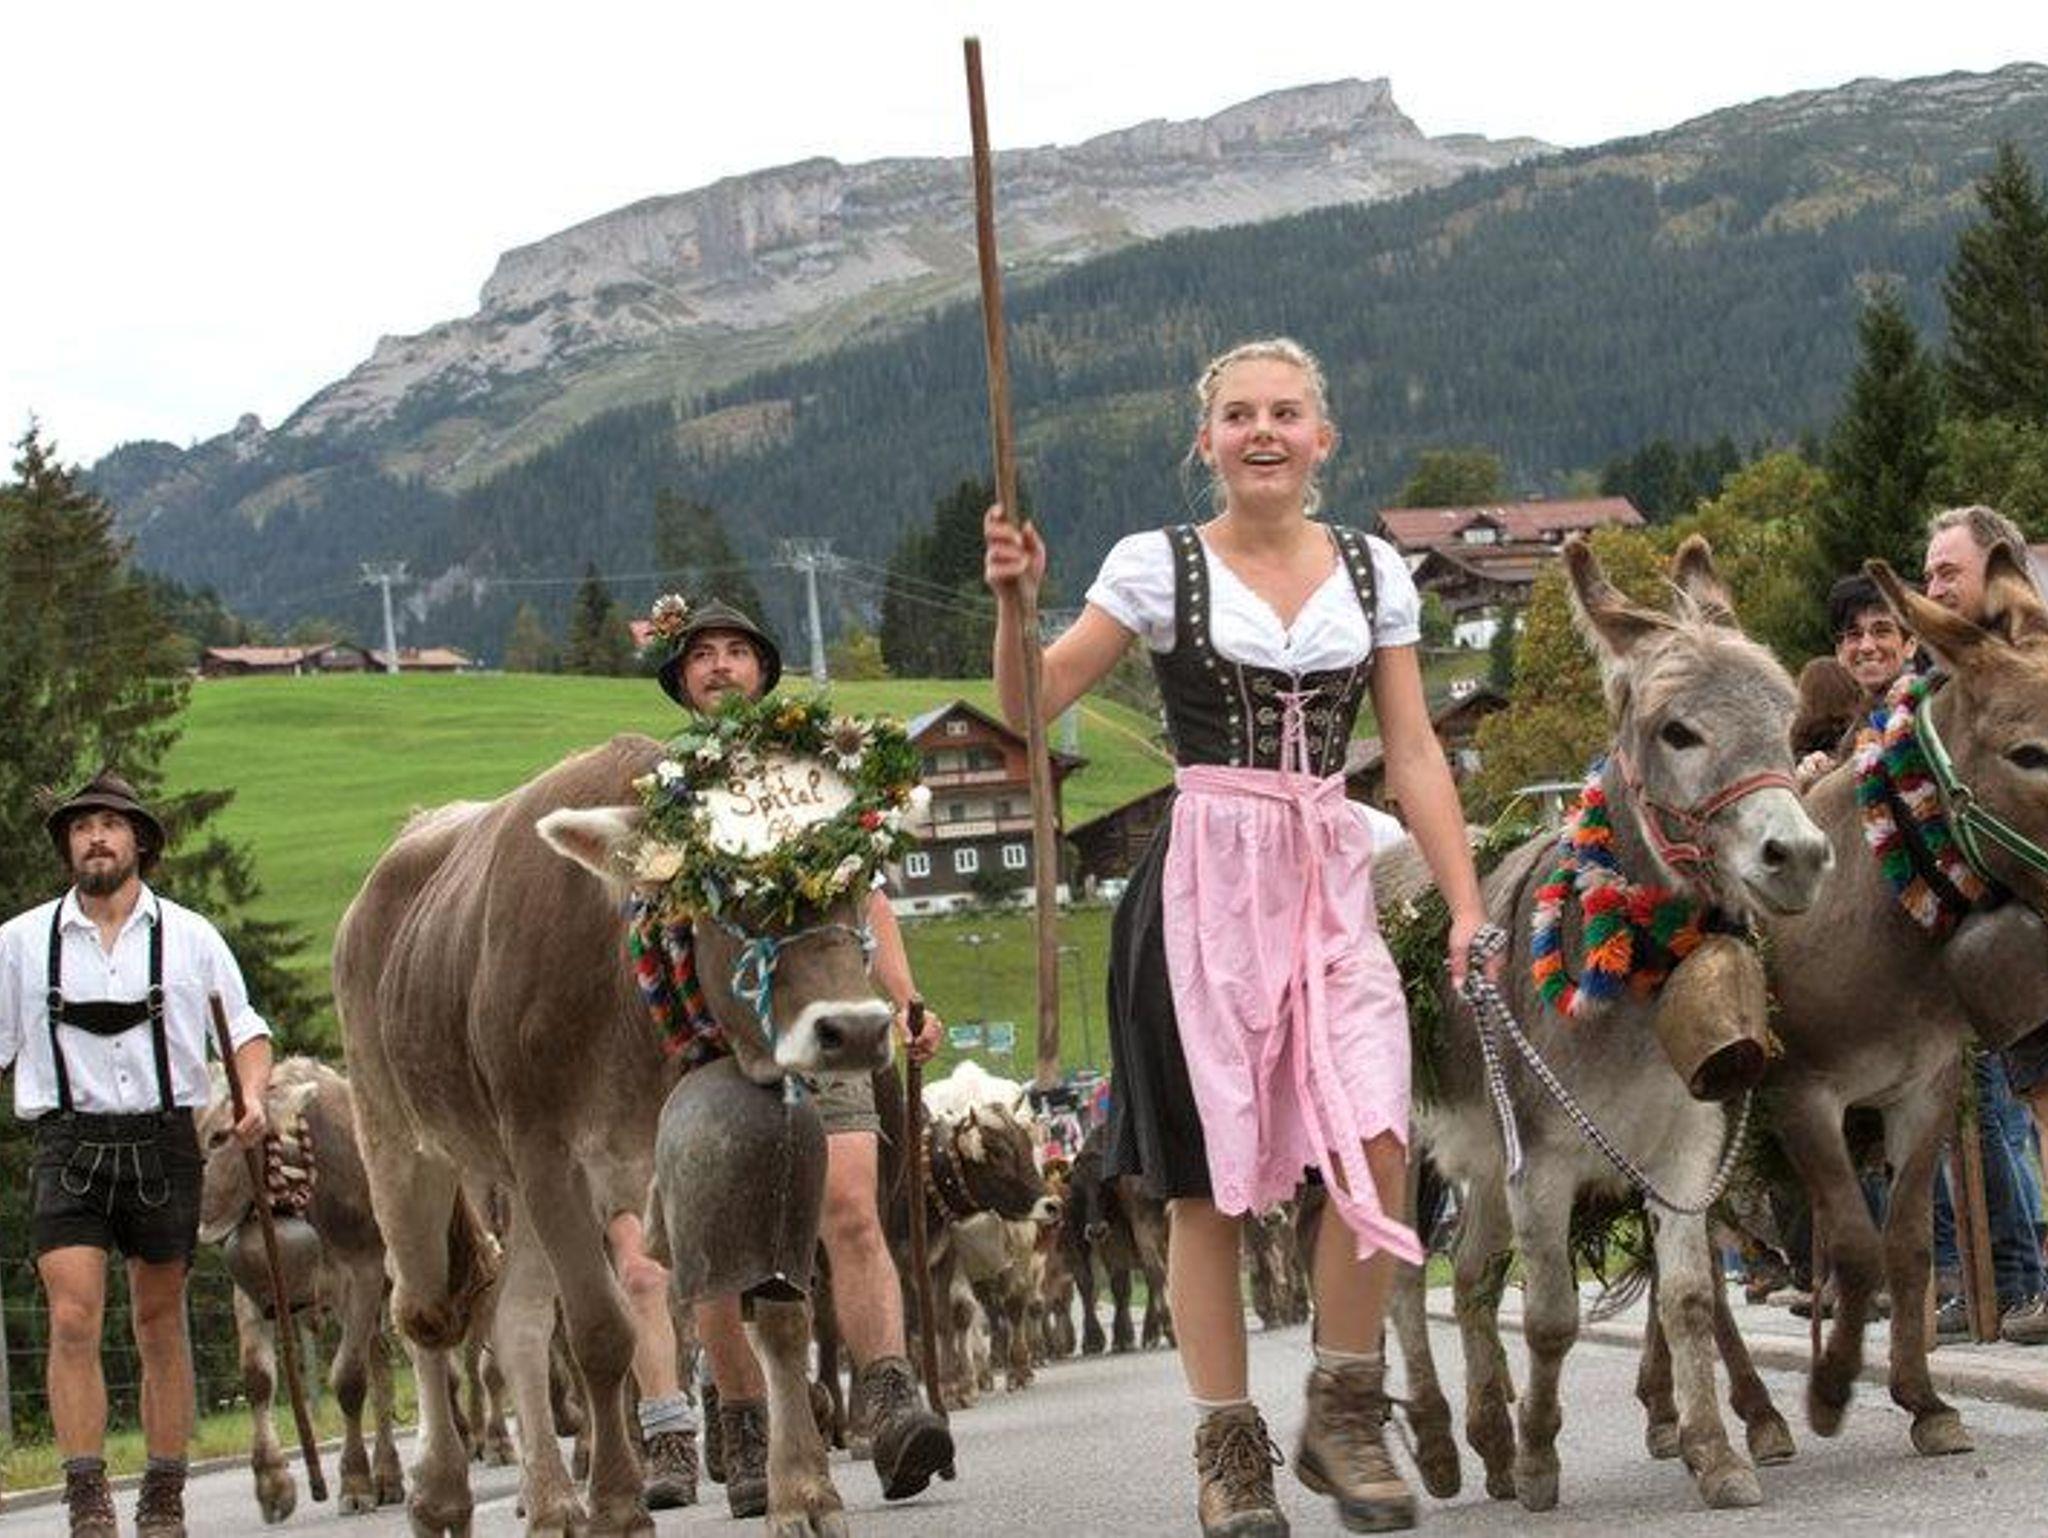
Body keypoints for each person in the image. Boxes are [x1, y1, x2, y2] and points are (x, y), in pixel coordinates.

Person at [984, 337, 1491, 1537]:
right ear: (1205, 440)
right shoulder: (1154, 564)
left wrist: (1465, 901)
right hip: (1199, 890)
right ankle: (1227, 1446)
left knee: (1375, 1141)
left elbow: (1411, 748)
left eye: (1285, 412)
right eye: (1238, 415)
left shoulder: (1371, 570)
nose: (1262, 430)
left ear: (1322, 437)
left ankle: (1343, 1406)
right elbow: (1027, 705)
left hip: (1327, 878)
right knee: (1203, 1188)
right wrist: (1013, 605)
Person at [631, 596, 956, 1518]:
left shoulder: (819, 779)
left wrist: (905, 998)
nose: (721, 665)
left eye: (738, 651)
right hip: (718, 1044)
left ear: (765, 672)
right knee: (723, 1242)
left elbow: (867, 900)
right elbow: (645, 927)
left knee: (849, 1208)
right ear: (681, 680)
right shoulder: (669, 794)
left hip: (828, 1028)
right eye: (703, 654)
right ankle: (743, 1423)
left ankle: (887, 1398)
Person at [0, 771, 273, 1538]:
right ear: (67, 847)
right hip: (67, 1146)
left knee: (158, 1320)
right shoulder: (19, 944)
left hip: (163, 1144)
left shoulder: (191, 937)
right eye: (81, 827)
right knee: (72, 1316)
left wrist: (252, 1096)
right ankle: (87, 1497)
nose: (95, 837)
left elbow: (247, 1032)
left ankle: (164, 1493)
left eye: (110, 825)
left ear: (139, 843)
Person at [1917, 504, 2048, 1346]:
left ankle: (2020, 1272)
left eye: (1948, 572)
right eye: (1927, 573)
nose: (1933, 588)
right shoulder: (1944, 688)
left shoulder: (2026, 667)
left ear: (1997, 571)